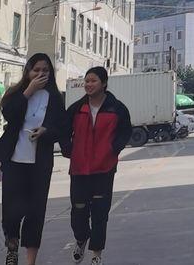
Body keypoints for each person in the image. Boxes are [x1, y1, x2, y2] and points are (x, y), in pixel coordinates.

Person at [0, 54, 68, 265]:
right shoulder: (16, 94)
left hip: (40, 163)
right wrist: (28, 91)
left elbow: (62, 128)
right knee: (11, 211)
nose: (41, 74)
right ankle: (12, 250)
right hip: (15, 160)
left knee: (36, 211)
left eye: (45, 70)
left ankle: (30, 260)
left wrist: (46, 131)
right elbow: (9, 114)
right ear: (28, 71)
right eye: (36, 70)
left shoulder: (54, 98)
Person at [64, 66, 131, 265]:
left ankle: (96, 255)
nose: (89, 84)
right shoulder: (77, 109)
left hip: (104, 169)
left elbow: (125, 132)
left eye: (93, 81)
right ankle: (81, 239)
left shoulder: (117, 108)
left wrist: (113, 149)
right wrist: (69, 150)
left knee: (100, 214)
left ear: (104, 83)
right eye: (87, 81)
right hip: (79, 170)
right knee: (78, 212)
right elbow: (62, 130)